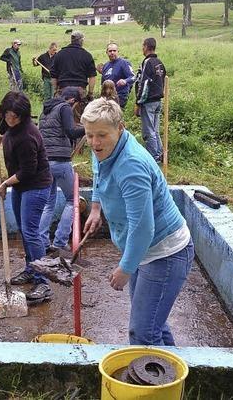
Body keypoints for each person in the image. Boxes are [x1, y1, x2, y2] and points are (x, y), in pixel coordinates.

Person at [81, 98, 194, 346]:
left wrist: (126, 268)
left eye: (101, 135)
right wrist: (96, 208)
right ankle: (175, 378)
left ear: (119, 128)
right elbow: (99, 173)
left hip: (164, 252)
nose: (94, 143)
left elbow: (143, 228)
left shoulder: (131, 166)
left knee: (143, 333)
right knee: (153, 322)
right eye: (89, 135)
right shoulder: (104, 150)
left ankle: (156, 384)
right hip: (147, 250)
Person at [0, 92, 53, 304]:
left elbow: (29, 170)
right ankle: (31, 268)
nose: (10, 120)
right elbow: (7, 132)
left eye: (15, 117)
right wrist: (2, 138)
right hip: (20, 186)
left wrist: (5, 183)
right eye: (7, 115)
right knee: (24, 230)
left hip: (35, 185)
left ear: (23, 116)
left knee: (31, 232)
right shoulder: (10, 126)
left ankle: (43, 282)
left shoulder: (28, 135)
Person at [38, 87, 85, 253]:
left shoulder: (45, 111)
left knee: (48, 203)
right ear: (72, 100)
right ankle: (59, 241)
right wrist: (89, 129)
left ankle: (42, 242)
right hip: (61, 161)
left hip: (44, 163)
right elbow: (71, 132)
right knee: (73, 201)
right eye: (76, 104)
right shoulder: (64, 108)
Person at [134, 37, 166, 162]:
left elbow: (144, 83)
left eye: (143, 46)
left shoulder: (147, 62)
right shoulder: (160, 63)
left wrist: (138, 102)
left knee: (148, 132)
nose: (142, 48)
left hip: (149, 101)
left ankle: (153, 158)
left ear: (147, 47)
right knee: (155, 130)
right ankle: (159, 153)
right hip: (158, 100)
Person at [50, 31, 96, 101]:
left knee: (51, 109)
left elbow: (53, 76)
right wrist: (90, 94)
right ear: (82, 40)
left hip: (62, 91)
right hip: (80, 92)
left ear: (71, 40)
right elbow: (92, 77)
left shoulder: (59, 54)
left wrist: (56, 91)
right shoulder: (87, 55)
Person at [96, 42, 135, 108]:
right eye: (110, 51)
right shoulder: (106, 65)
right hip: (107, 97)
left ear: (118, 51)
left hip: (120, 96)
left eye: (114, 51)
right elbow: (103, 83)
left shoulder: (124, 63)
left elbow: (133, 77)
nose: (112, 53)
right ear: (107, 52)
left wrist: (125, 81)